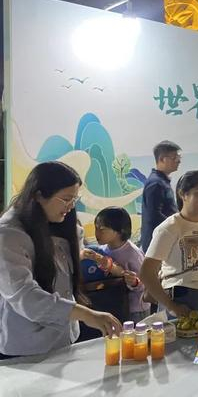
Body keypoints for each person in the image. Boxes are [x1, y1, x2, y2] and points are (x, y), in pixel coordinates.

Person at [0, 162, 121, 358]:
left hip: (65, 338)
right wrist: (86, 314)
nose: (71, 206)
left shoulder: (64, 225)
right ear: (38, 195)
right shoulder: (9, 234)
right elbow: (26, 296)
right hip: (25, 346)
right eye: (66, 199)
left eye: (74, 199)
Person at [140, 170, 198, 317]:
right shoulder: (169, 227)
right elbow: (146, 272)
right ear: (183, 194)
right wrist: (172, 306)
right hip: (179, 298)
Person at [94, 207, 150, 322]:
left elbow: (146, 283)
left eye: (102, 229)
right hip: (116, 307)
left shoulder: (133, 254)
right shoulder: (102, 251)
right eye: (96, 228)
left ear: (120, 231)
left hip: (136, 309)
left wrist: (135, 282)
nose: (97, 233)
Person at [140, 141, 181, 252]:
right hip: (157, 242)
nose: (178, 161)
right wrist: (178, 225)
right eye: (174, 158)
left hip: (164, 239)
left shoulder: (161, 181)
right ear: (162, 159)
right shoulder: (156, 183)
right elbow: (154, 215)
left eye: (178, 157)